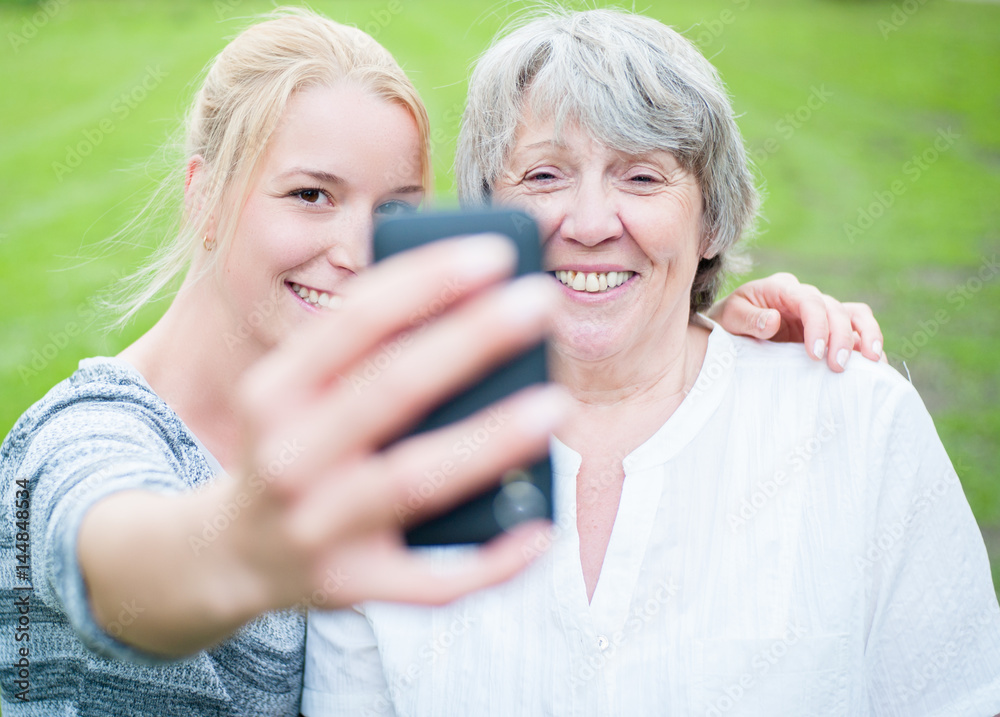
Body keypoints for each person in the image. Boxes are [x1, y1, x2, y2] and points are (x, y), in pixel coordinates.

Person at [0, 7, 882, 716]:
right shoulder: (92, 432)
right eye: (311, 195)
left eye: (395, 213)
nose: (355, 250)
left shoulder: (376, 407)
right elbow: (115, 564)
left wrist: (690, 322)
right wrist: (229, 548)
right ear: (207, 197)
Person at [302, 8, 1000, 716]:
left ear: (713, 220)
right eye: (545, 175)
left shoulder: (859, 426)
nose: (592, 222)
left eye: (641, 177)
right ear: (488, 212)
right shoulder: (388, 453)